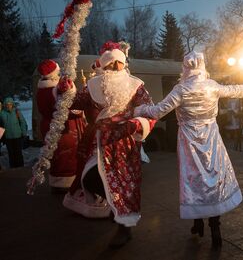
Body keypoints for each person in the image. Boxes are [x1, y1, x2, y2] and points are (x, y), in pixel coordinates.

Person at [134, 51, 243, 249]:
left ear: (186, 67)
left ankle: (197, 223)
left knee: (193, 179)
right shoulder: (212, 86)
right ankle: (215, 228)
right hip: (211, 139)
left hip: (189, 140)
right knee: (214, 179)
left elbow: (158, 111)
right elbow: (232, 90)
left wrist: (140, 110)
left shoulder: (181, 90)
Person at [61, 41, 155, 248]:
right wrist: (65, 92)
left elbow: (150, 111)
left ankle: (124, 227)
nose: (114, 68)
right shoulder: (92, 86)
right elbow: (75, 105)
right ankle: (115, 207)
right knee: (91, 178)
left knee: (123, 184)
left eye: (118, 64)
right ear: (103, 66)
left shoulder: (136, 85)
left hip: (124, 143)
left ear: (124, 65)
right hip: (98, 142)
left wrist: (137, 125)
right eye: (110, 64)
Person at [36, 59, 87, 193]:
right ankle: (66, 183)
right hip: (62, 128)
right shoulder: (54, 90)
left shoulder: (41, 89)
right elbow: (63, 110)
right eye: (57, 72)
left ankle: (58, 181)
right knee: (66, 155)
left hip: (49, 126)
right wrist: (80, 112)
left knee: (56, 156)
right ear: (53, 73)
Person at [0, 97, 27, 168]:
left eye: (10, 104)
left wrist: (24, 133)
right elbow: (0, 126)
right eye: (7, 104)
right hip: (8, 138)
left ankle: (21, 167)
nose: (8, 106)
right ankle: (13, 168)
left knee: (18, 153)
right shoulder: (2, 114)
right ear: (5, 105)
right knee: (11, 154)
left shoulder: (16, 112)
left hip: (17, 136)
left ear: (12, 105)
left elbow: (23, 122)